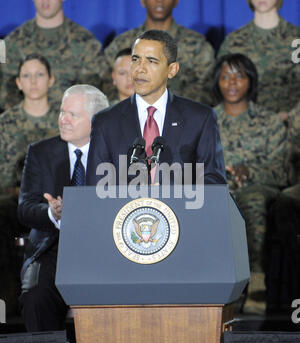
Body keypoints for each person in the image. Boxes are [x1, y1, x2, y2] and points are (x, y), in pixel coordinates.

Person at [17, 84, 109, 332]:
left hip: (105, 250)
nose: (63, 120)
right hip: (52, 248)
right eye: (61, 112)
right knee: (36, 298)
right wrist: (52, 213)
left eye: (73, 115)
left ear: (97, 120)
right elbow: (25, 208)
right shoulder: (40, 152)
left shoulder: (114, 153)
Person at [86, 29, 226, 187]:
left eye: (151, 61)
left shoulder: (200, 118)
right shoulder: (105, 122)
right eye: (135, 59)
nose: (140, 68)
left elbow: (214, 183)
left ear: (172, 70)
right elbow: (95, 189)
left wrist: (171, 195)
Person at [212, 53, 289, 313]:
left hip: (257, 190)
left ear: (251, 81)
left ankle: (257, 286)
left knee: (254, 203)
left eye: (239, 76)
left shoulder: (269, 122)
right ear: (217, 82)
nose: (232, 83)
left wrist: (250, 171)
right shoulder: (206, 120)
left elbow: (282, 171)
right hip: (218, 190)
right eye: (225, 77)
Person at [100, 0, 215, 105]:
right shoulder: (123, 42)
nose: (159, 1)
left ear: (176, 1)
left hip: (183, 120)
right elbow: (105, 82)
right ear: (142, 1)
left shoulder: (196, 44)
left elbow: (208, 87)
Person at [0, 0, 103, 112]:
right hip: (24, 124)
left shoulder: (86, 42)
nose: (45, 1)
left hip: (72, 122)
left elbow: (94, 94)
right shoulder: (12, 43)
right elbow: (6, 93)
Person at [217, 0, 300, 114]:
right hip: (247, 124)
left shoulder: (296, 38)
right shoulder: (233, 41)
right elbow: (220, 86)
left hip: (290, 125)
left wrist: (292, 119)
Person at [0, 54, 58, 195]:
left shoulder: (66, 120)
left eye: (39, 74)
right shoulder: (4, 123)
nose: (33, 81)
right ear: (18, 82)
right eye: (26, 76)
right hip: (10, 202)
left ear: (51, 80)